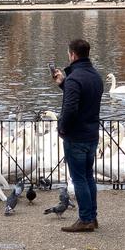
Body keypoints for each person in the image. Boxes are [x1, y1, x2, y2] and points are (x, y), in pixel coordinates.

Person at [52, 39, 103, 232]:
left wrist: (62, 128)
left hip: (76, 137)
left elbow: (71, 109)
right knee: (88, 177)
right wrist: (63, 84)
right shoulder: (96, 77)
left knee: (79, 179)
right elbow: (85, 100)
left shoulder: (74, 79)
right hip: (92, 135)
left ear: (72, 55)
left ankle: (85, 219)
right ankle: (92, 217)